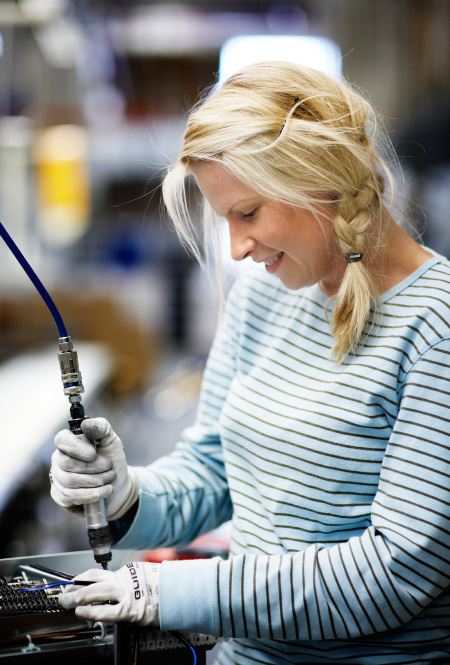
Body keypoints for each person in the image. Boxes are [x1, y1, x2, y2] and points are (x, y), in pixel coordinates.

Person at [50, 62, 450, 664]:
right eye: (223, 220)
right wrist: (124, 492)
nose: (236, 248)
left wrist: (170, 591)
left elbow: (394, 574)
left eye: (248, 213)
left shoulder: (434, 326)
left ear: (323, 179)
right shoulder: (266, 294)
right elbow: (214, 472)